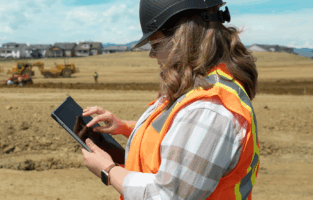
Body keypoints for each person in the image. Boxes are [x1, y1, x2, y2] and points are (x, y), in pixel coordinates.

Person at [81, 0, 259, 199]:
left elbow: (167, 195)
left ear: (182, 37)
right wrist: (125, 127)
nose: (151, 54)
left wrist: (108, 170)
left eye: (156, 44)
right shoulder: (198, 89)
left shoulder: (208, 109)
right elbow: (180, 133)